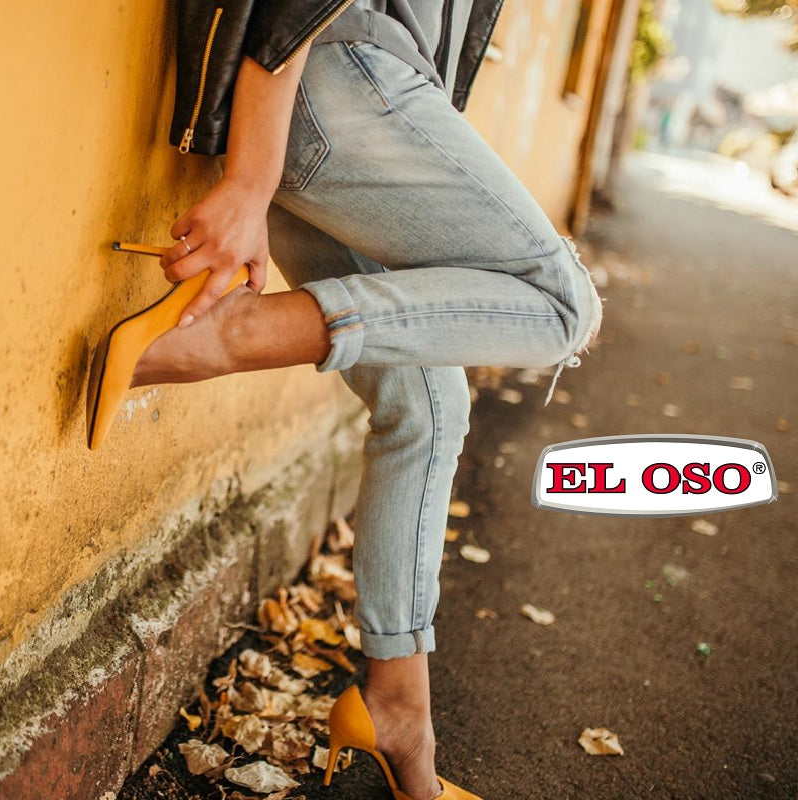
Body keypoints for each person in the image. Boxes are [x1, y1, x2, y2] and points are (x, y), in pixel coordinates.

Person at [92, 1, 604, 798]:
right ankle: (233, 335)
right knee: (565, 303)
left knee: (429, 404)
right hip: (330, 83)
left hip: (318, 100)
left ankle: (400, 711)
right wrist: (251, 181)